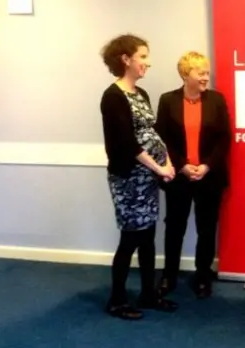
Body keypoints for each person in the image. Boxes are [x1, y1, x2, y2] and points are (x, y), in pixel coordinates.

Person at [99, 34, 179, 320]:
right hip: (128, 179)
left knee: (147, 238)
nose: (148, 62)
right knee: (130, 238)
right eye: (143, 56)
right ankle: (117, 300)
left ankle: (147, 293)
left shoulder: (141, 94)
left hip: (147, 179)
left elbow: (153, 134)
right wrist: (158, 169)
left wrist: (167, 162)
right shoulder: (113, 96)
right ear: (126, 59)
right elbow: (126, 144)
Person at [155, 51, 231, 299]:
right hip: (179, 177)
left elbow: (224, 138)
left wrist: (206, 166)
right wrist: (182, 165)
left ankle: (202, 275)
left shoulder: (217, 101)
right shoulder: (167, 101)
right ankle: (169, 275)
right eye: (201, 73)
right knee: (174, 228)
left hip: (209, 178)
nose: (206, 78)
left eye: (207, 73)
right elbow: (162, 139)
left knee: (206, 229)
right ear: (186, 74)